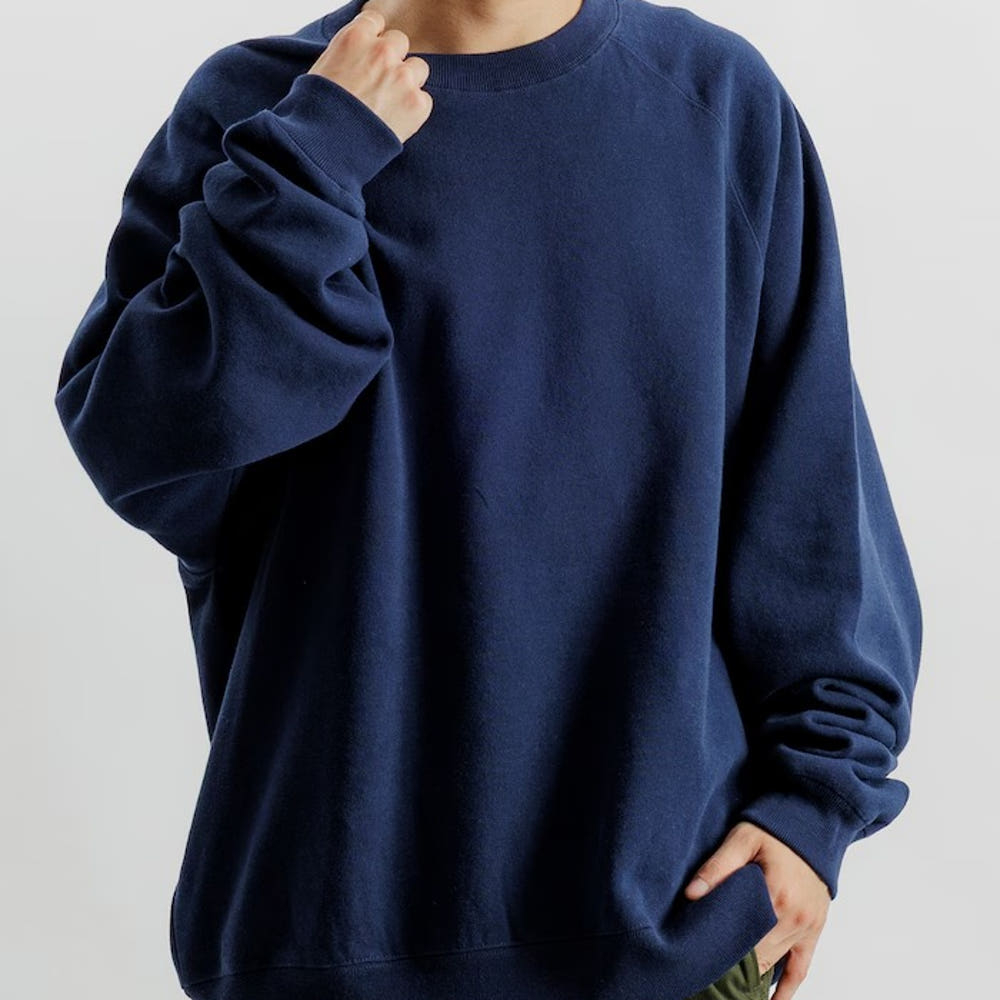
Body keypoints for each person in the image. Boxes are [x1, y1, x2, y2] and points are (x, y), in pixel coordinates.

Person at [52, 2, 923, 999]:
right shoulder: (260, 108)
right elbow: (147, 457)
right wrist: (313, 160)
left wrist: (811, 812)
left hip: (665, 935)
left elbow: (813, 507)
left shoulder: (714, 103)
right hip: (322, 942)